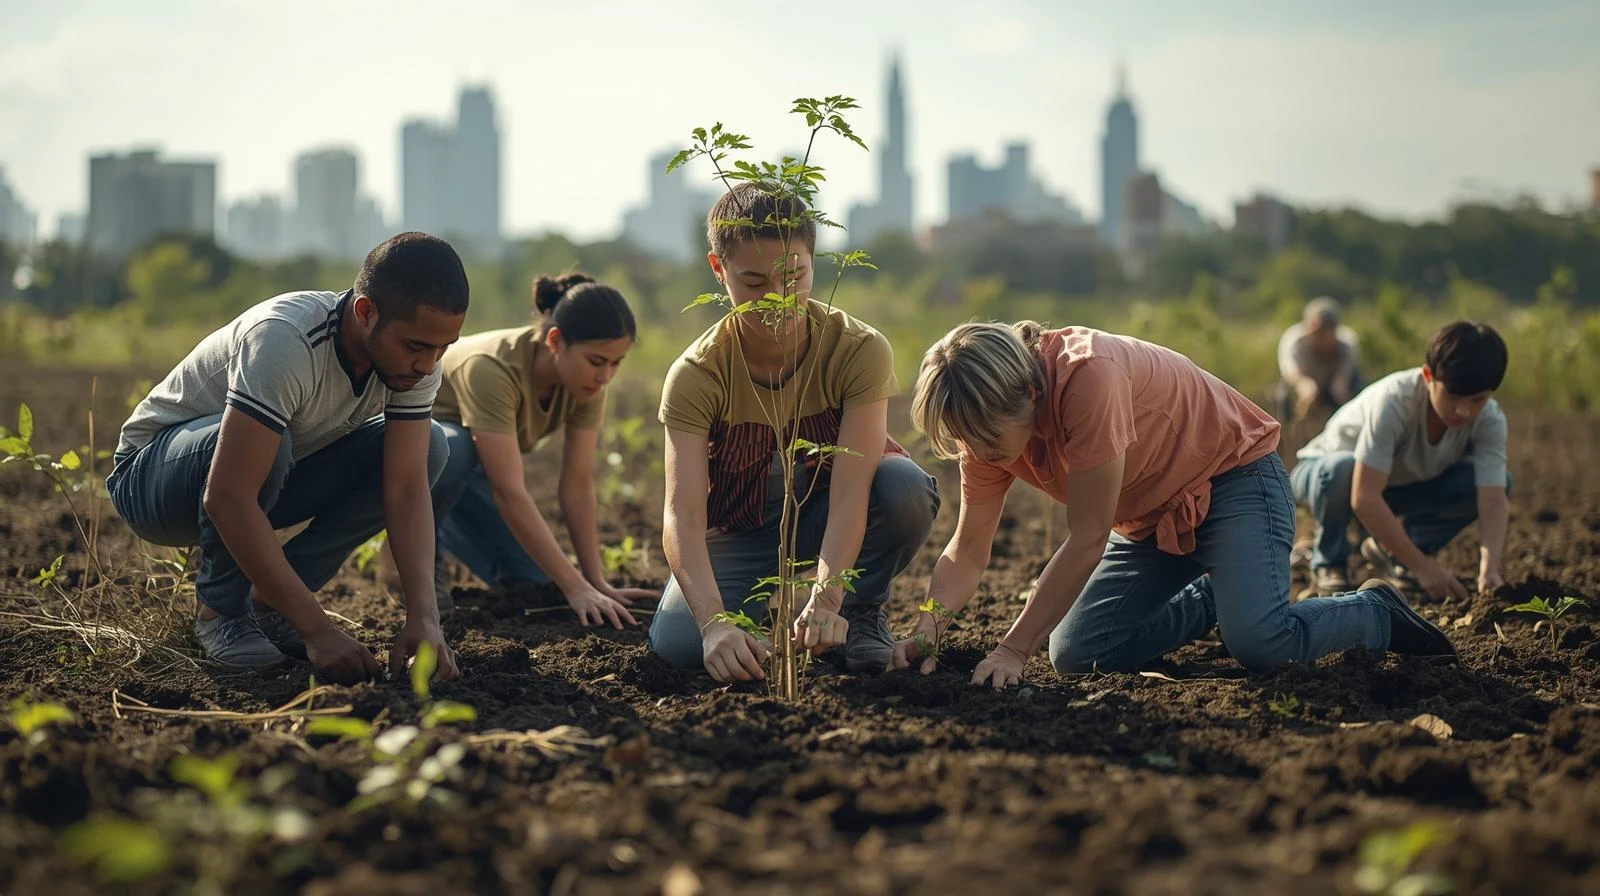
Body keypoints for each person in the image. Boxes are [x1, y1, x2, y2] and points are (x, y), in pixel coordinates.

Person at [894, 321, 1456, 691]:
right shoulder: (984, 430)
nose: (978, 452)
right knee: (1078, 651)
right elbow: (968, 551)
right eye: (966, 438)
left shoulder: (1087, 379)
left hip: (1234, 480)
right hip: (1148, 519)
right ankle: (1223, 593)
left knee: (1262, 644)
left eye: (988, 437)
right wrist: (927, 630)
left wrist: (1013, 649)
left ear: (1031, 394)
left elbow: (1087, 538)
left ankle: (1374, 612)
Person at [107, 232, 467, 685]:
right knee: (270, 445)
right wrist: (318, 631)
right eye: (416, 347)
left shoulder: (415, 365)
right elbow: (227, 496)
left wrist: (425, 620)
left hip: (266, 471)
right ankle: (222, 613)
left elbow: (407, 487)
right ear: (365, 312)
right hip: (153, 481)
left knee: (430, 445)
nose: (429, 365)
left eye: (443, 349)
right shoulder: (285, 339)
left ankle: (273, 604)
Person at [647, 183, 941, 682]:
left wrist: (828, 598)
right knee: (679, 645)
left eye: (793, 276)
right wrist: (714, 622)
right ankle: (747, 625)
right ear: (719, 271)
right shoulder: (698, 373)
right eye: (754, 282)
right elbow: (683, 514)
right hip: (743, 524)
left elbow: (852, 492)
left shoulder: (859, 349)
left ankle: (860, 609)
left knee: (903, 488)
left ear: (813, 261)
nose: (778, 301)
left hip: (831, 503)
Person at [387, 272, 658, 626]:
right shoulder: (492, 368)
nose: (606, 376)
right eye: (596, 361)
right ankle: (408, 562)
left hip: (474, 473)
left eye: (616, 363)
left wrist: (593, 582)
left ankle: (449, 534)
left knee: (538, 583)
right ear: (556, 341)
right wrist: (575, 587)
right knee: (453, 448)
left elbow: (577, 485)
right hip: (421, 460)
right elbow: (508, 492)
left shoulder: (588, 385)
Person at [1290, 321, 1509, 598]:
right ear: (1428, 376)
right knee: (1343, 468)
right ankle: (1329, 562)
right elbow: (1364, 497)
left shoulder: (1489, 419)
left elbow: (1492, 498)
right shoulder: (1395, 401)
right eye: (1453, 397)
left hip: (1390, 487)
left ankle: (1396, 552)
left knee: (1490, 482)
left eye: (1477, 399)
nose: (1464, 411)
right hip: (1323, 476)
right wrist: (1424, 568)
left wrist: (1490, 570)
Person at [1273, 297, 1363, 422]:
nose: (1319, 338)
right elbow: (1290, 373)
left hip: (1332, 384)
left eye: (1325, 332)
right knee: (1283, 393)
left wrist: (1341, 392)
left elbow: (1343, 377)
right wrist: (1305, 386)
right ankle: (1287, 426)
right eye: (1316, 332)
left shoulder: (1347, 343)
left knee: (1357, 386)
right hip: (1302, 383)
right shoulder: (1293, 341)